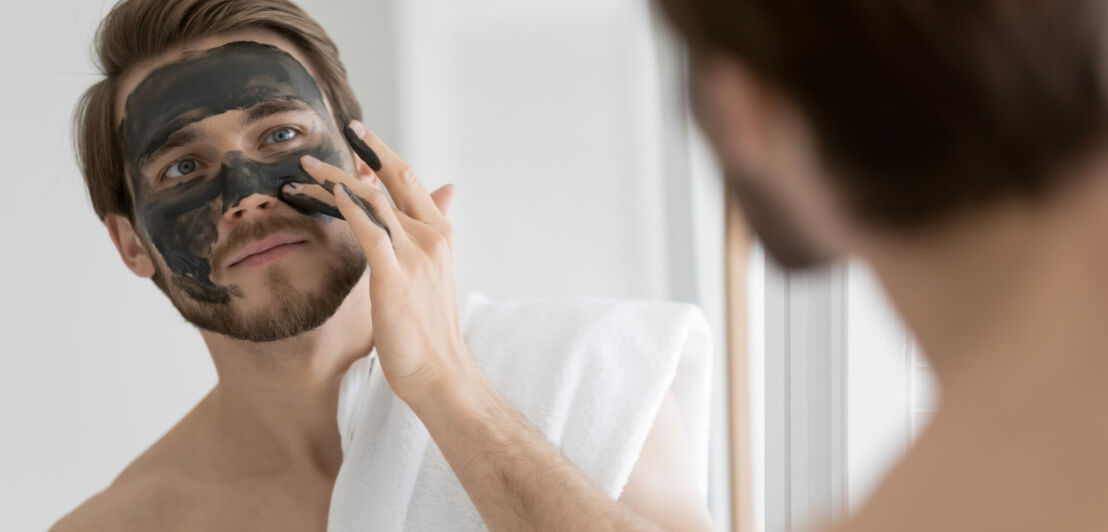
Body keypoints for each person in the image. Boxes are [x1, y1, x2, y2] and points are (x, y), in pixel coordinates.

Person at [50, 0, 715, 531]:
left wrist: (444, 383)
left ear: (363, 166)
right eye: (184, 167)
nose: (246, 194)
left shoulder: (587, 370)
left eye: (280, 134)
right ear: (131, 244)